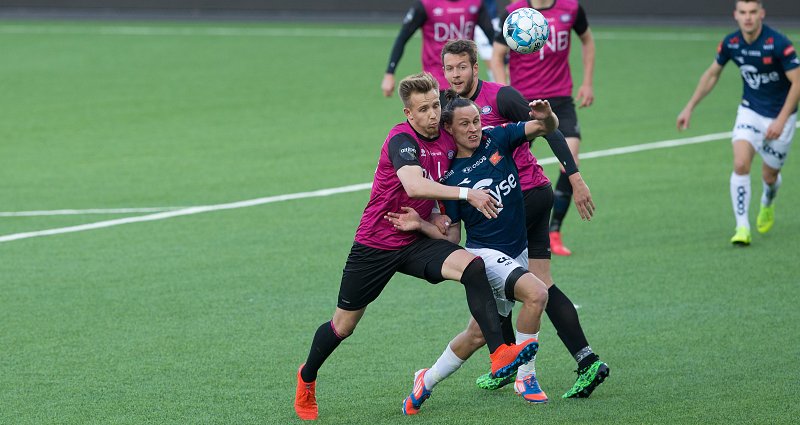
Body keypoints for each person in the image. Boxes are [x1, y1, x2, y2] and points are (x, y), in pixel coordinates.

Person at [294, 72, 539, 421]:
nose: (432, 115)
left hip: (415, 239)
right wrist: (466, 195)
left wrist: (435, 218)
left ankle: (499, 352)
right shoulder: (401, 139)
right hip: (376, 243)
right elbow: (412, 184)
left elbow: (448, 175)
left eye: (436, 106)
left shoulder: (446, 137)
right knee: (343, 326)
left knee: (473, 266)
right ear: (409, 114)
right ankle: (307, 377)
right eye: (423, 109)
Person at [438, 38, 610, 401]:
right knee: (529, 283)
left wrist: (575, 177)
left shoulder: (500, 97)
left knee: (502, 278)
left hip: (524, 196)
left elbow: (547, 127)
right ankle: (581, 359)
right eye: (450, 68)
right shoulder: (447, 106)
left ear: (475, 66)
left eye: (462, 67)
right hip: (508, 199)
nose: (455, 74)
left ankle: (518, 368)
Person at [387, 94, 556, 414]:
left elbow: (545, 127)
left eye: (477, 120)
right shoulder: (450, 178)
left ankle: (427, 379)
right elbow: (450, 235)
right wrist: (421, 224)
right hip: (487, 255)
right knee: (537, 294)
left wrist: (547, 116)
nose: (474, 129)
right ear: (449, 129)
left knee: (476, 334)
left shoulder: (498, 138)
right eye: (465, 124)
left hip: (516, 251)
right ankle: (526, 377)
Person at [676, 0, 799, 246]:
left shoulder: (779, 43)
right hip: (750, 111)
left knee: (770, 174)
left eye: (753, 12)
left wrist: (782, 119)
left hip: (780, 116)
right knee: (741, 163)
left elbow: (797, 82)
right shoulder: (732, 43)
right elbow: (712, 74)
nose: (748, 18)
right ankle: (742, 226)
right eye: (743, 12)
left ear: (761, 14)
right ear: (736, 15)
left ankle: (768, 199)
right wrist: (689, 106)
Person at [490, 0, 596, 256]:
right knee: (500, 162)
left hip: (559, 100)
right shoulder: (512, 12)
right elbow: (496, 56)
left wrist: (587, 82)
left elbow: (588, 40)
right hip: (522, 101)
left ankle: (554, 230)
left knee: (569, 161)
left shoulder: (571, 8)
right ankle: (504, 226)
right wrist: (504, 95)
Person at [382, 0, 496, 96]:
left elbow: (492, 37)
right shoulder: (426, 4)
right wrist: (390, 73)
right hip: (437, 84)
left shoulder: (475, 3)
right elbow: (402, 38)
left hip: (467, 83)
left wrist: (504, 62)